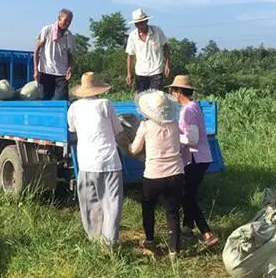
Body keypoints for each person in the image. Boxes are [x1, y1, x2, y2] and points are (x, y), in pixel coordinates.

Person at [68, 72, 124, 248]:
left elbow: (73, 130)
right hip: (110, 161)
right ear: (99, 89)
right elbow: (119, 132)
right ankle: (108, 244)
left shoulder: (74, 108)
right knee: (112, 204)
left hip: (86, 162)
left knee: (90, 203)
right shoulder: (105, 104)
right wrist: (130, 148)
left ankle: (94, 239)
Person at [129, 90, 184, 259]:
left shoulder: (146, 126)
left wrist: (125, 144)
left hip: (153, 174)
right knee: (172, 211)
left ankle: (150, 240)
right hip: (176, 173)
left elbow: (135, 150)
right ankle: (174, 250)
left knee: (148, 206)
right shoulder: (175, 125)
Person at [167, 75, 219, 249]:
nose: (172, 93)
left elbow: (192, 139)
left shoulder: (187, 110)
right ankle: (188, 228)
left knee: (186, 196)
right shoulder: (194, 106)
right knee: (190, 194)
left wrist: (174, 136)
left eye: (173, 90)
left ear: (179, 92)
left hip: (195, 157)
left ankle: (207, 233)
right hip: (201, 157)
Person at [33, 8, 76, 100]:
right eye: (66, 21)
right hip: (45, 72)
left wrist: (69, 68)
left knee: (61, 101)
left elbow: (70, 55)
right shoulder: (47, 30)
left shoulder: (69, 36)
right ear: (59, 18)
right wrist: (36, 69)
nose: (67, 23)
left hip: (61, 74)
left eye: (70, 21)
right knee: (45, 100)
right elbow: (36, 49)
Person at [125, 8, 170, 92]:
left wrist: (167, 64)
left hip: (156, 71)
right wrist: (129, 73)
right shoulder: (132, 36)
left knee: (156, 98)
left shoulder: (157, 31)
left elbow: (165, 47)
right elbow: (130, 55)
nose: (139, 26)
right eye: (137, 24)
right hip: (140, 72)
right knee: (142, 99)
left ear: (146, 21)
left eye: (141, 23)